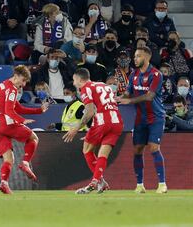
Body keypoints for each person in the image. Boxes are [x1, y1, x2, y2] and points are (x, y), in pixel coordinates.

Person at [63, 67, 123, 194]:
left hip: (102, 122)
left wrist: (75, 129)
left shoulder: (86, 88)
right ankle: (100, 182)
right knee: (103, 154)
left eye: (74, 80)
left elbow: (90, 112)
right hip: (117, 122)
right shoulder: (103, 85)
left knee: (87, 150)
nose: (74, 83)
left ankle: (95, 182)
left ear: (80, 79)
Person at [0, 65, 49, 194]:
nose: (23, 84)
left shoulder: (0, 86)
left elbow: (19, 108)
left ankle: (4, 183)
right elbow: (9, 111)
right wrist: (22, 120)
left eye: (25, 82)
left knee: (8, 159)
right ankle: (26, 163)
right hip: (6, 123)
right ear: (16, 75)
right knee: (33, 138)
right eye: (22, 80)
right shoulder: (12, 89)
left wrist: (39, 110)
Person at [117, 46, 168, 194]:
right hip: (140, 119)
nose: (135, 59)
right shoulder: (134, 75)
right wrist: (119, 98)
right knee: (137, 150)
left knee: (153, 147)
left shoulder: (156, 74)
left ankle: (162, 184)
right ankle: (140, 185)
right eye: (135, 56)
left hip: (156, 117)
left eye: (138, 56)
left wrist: (130, 101)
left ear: (147, 57)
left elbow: (149, 96)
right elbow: (127, 93)